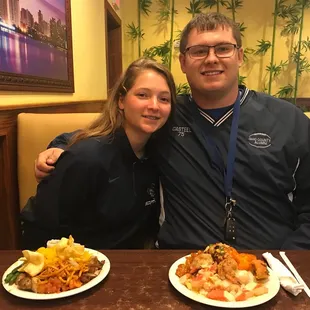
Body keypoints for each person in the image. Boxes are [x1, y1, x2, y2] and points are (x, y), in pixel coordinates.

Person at [34, 13, 310, 250]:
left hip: (269, 263)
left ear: (239, 56)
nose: (211, 59)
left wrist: (291, 258)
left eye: (223, 49)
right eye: (199, 51)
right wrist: (60, 146)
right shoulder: (166, 114)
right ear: (182, 61)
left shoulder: (288, 119)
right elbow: (109, 135)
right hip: (180, 262)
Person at [21, 57, 176, 250]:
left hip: (137, 264)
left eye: (164, 99)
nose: (154, 105)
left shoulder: (159, 151)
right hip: (83, 269)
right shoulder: (86, 158)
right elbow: (40, 228)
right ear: (121, 100)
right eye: (143, 95)